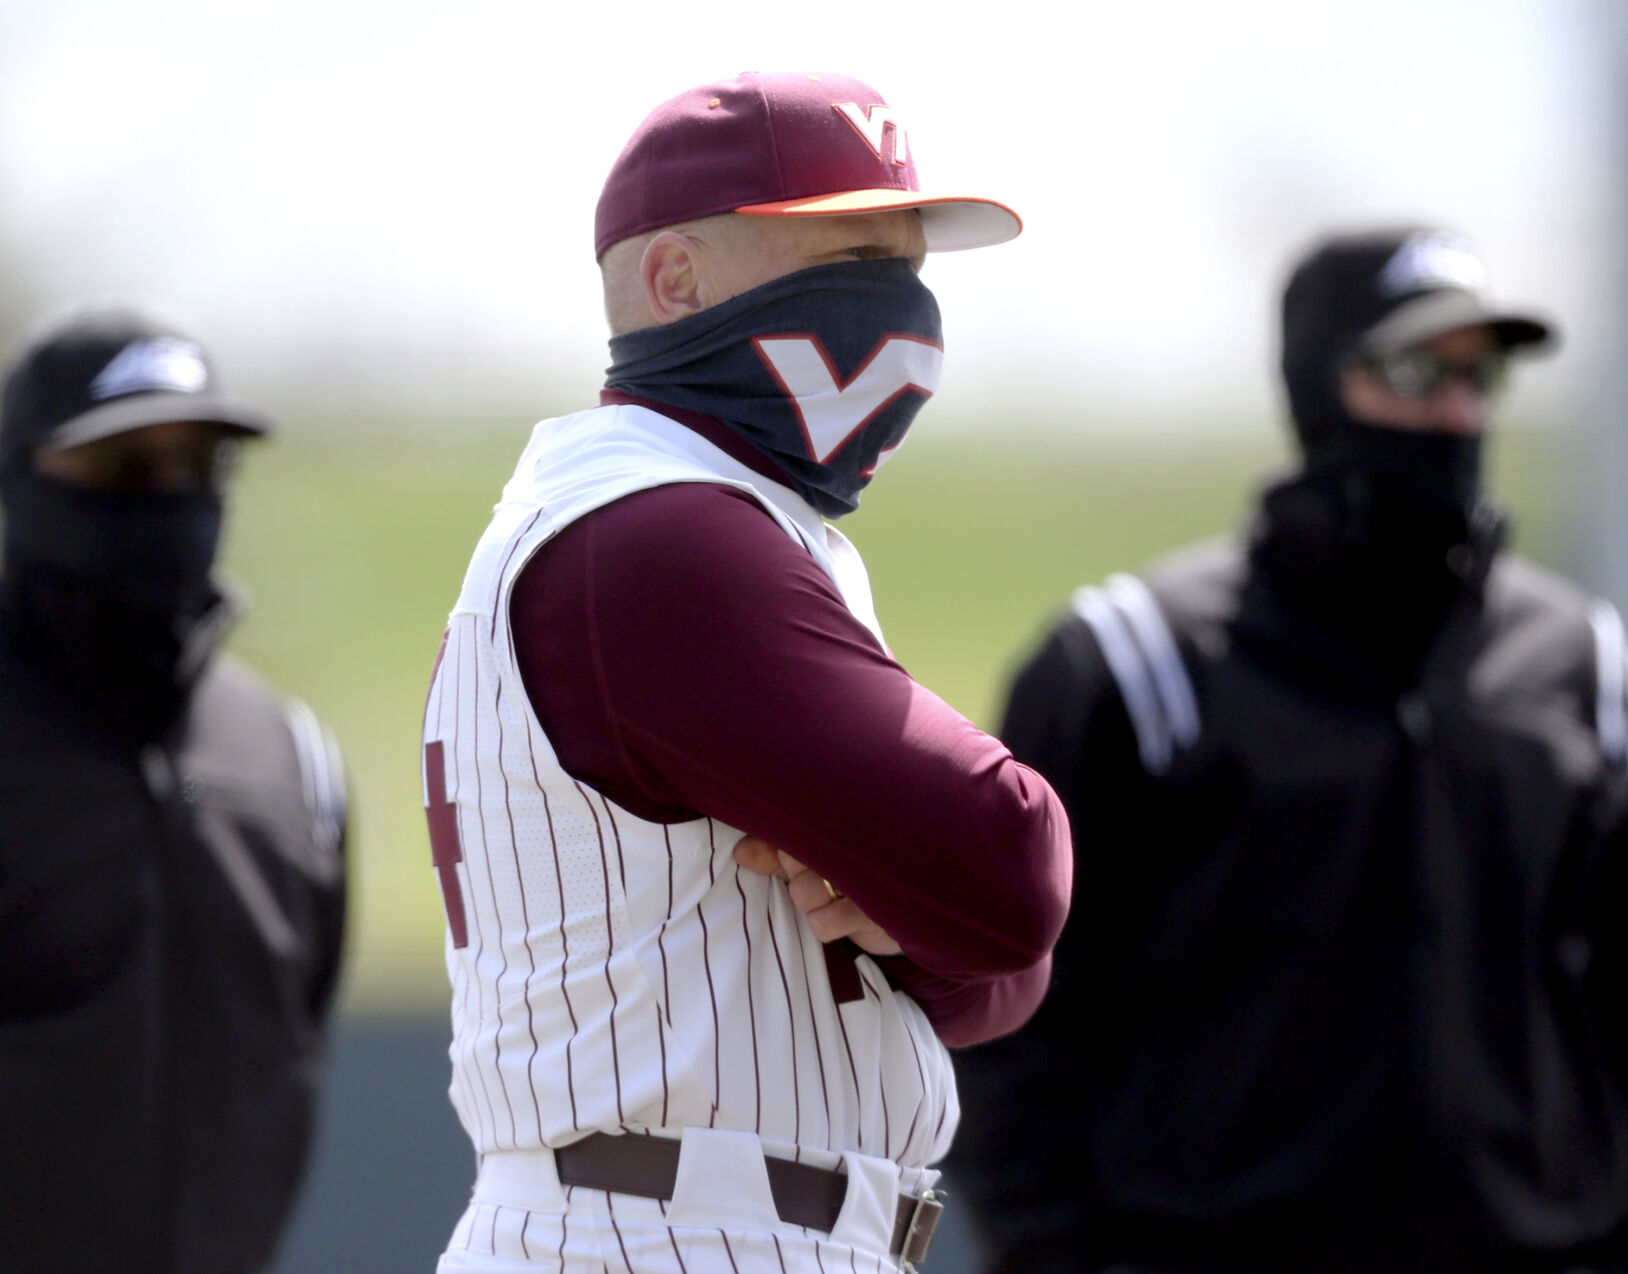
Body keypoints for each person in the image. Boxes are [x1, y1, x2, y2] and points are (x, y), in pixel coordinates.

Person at [420, 70, 1072, 1274]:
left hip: (684, 1217)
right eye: (850, 255)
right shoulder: (655, 536)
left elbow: (996, 967)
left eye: (905, 261)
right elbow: (1007, 866)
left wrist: (915, 925)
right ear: (674, 279)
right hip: (655, 1226)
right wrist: (944, 909)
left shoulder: (698, 520)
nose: (896, 304)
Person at [947, 226, 1628, 1274]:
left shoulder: (1585, 668)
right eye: (1415, 372)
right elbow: (1005, 1013)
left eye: (1477, 374)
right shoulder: (1138, 667)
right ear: (1317, 384)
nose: (1456, 411)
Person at [0, 307, 349, 1274]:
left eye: (201, 469)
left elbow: (294, 1050)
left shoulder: (290, 758)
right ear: (22, 479)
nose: (170, 499)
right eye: (125, 468)